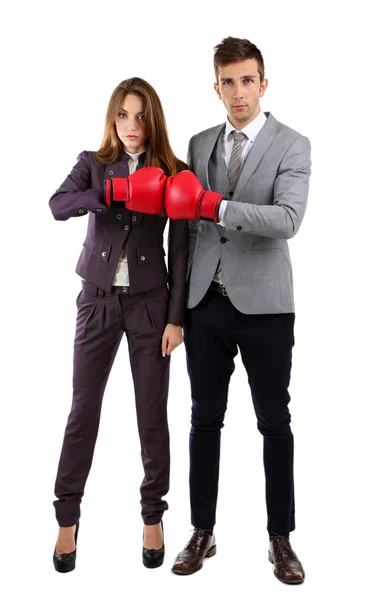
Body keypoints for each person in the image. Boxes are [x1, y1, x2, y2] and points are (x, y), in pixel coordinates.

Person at [165, 37, 311, 584]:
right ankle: (202, 531)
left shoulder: (292, 145)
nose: (238, 91)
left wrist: (218, 205)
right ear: (217, 87)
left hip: (267, 308)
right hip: (206, 304)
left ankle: (281, 538)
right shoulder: (200, 143)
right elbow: (184, 231)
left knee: (275, 422)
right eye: (228, 81)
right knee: (204, 420)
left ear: (263, 84)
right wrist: (177, 309)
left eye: (247, 80)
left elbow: (288, 219)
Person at [49, 77, 189, 572]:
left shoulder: (173, 171)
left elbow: (184, 251)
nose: (132, 125)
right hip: (97, 301)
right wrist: (108, 192)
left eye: (142, 115)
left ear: (153, 119)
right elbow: (57, 205)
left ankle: (153, 515)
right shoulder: (92, 163)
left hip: (153, 305)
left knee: (152, 414)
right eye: (124, 114)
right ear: (113, 117)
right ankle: (67, 519)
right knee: (83, 410)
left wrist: (178, 320)